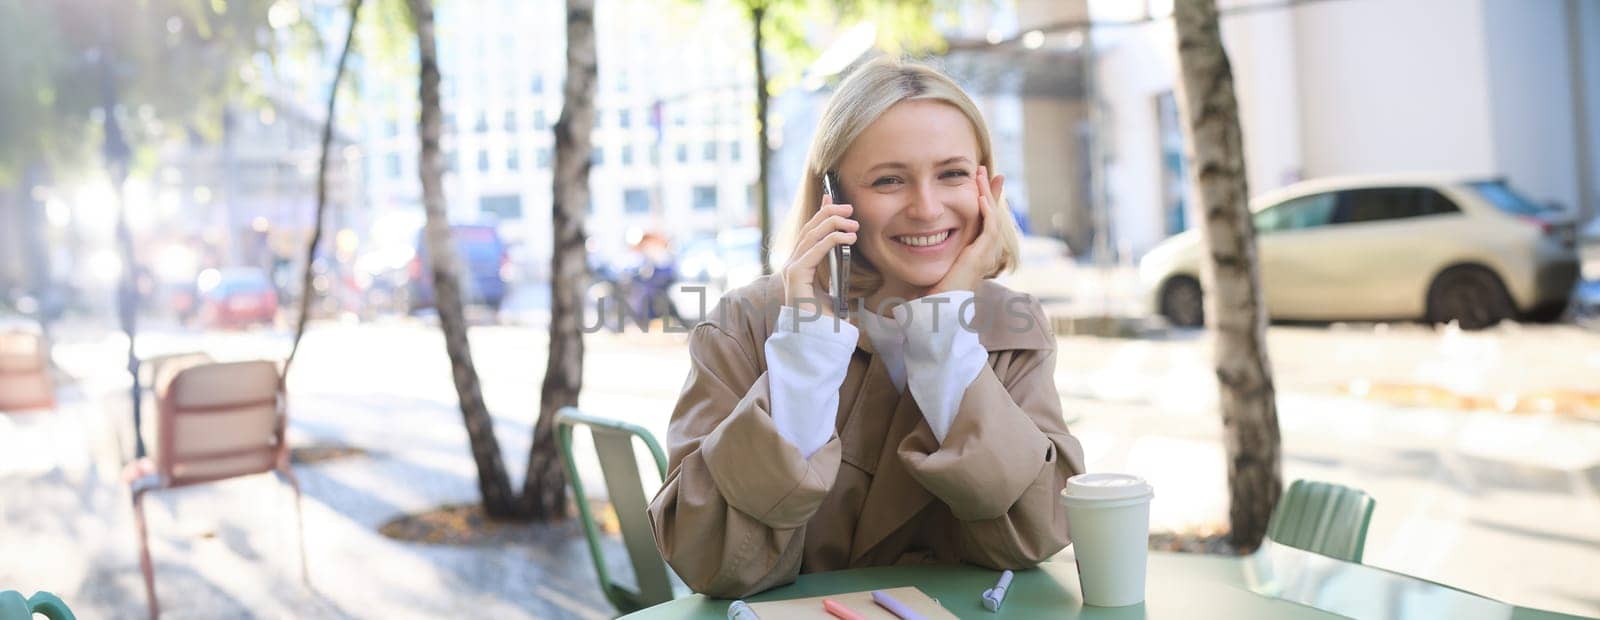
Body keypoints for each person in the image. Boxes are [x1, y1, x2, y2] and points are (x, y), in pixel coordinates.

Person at [647, 57, 1086, 598]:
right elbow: (711, 560)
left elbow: (1033, 535)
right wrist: (805, 357)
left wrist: (944, 333)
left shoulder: (1012, 327)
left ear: (987, 191)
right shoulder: (743, 326)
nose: (926, 208)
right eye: (889, 180)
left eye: (950, 173)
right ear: (833, 199)